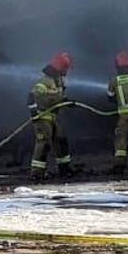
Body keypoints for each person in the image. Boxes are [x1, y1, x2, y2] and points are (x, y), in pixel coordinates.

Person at [27, 51, 75, 181]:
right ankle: (37, 173)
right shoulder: (44, 81)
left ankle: (64, 169)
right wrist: (34, 113)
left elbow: (58, 96)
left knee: (61, 140)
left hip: (52, 116)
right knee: (44, 144)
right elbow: (31, 97)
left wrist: (67, 101)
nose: (67, 71)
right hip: (42, 117)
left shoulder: (58, 80)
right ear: (60, 67)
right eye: (66, 68)